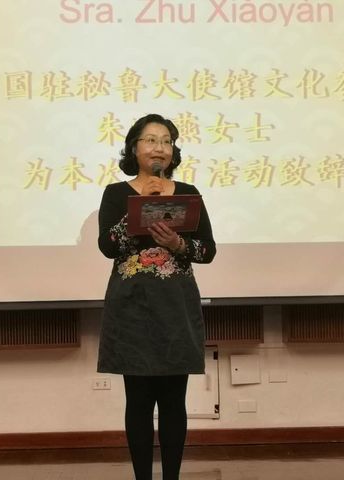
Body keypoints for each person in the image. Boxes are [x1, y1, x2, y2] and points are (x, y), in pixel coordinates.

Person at [97, 113, 216, 479]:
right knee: (138, 401)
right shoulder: (116, 194)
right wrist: (139, 212)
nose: (159, 148)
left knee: (173, 401)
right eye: (150, 140)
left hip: (175, 307)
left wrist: (178, 243)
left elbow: (207, 250)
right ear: (134, 148)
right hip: (131, 307)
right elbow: (107, 246)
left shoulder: (188, 194)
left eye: (166, 141)